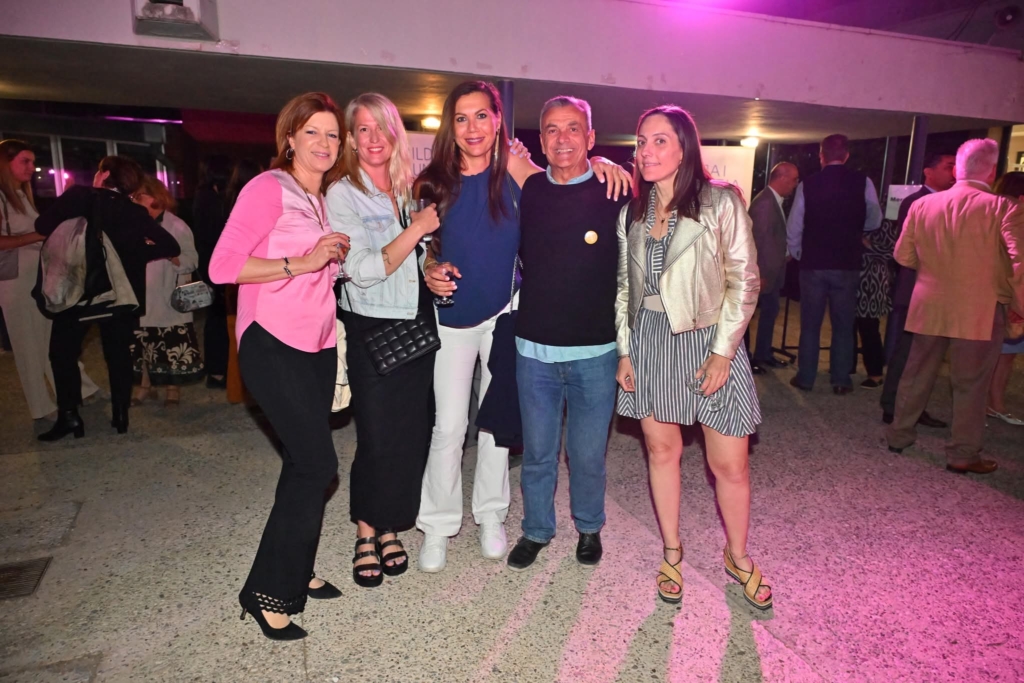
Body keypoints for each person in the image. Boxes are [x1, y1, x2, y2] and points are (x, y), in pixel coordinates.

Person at [414, 80, 630, 573]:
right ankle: (438, 525)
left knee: (497, 426)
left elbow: (565, 179)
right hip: (452, 319)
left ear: (498, 122)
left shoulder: (515, 177)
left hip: (505, 319)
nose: (472, 127)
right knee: (449, 426)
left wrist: (606, 163)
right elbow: (424, 249)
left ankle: (491, 516)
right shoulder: (431, 182)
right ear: (451, 125)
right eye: (462, 118)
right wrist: (428, 269)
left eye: (482, 116)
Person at [615, 106, 770, 610]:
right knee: (662, 452)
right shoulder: (631, 214)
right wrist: (625, 351)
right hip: (650, 341)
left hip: (709, 341)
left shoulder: (720, 202)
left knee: (731, 465)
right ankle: (672, 552)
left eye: (660, 140)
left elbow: (744, 280)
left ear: (685, 147)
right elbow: (624, 290)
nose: (647, 151)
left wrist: (724, 352)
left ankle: (737, 555)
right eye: (642, 142)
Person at [209, 92, 349, 639]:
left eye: (332, 134)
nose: (323, 143)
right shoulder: (268, 187)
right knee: (317, 464)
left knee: (299, 461)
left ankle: (297, 566)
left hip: (317, 345)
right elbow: (223, 266)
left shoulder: (320, 198)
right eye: (312, 132)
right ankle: (266, 590)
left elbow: (320, 272)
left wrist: (332, 261)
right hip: (272, 341)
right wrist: (304, 260)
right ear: (289, 138)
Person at [506, 96, 630, 572]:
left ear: (590, 137)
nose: (563, 139)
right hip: (534, 351)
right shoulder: (531, 188)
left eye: (574, 128)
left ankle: (589, 526)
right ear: (541, 140)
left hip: (596, 352)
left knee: (587, 455)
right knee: (538, 453)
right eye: (553, 130)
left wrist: (608, 166)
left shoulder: (615, 192)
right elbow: (483, 144)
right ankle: (536, 530)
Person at [325, 93, 440, 588]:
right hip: (371, 324)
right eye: (363, 129)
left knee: (411, 433)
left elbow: (418, 257)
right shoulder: (342, 194)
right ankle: (366, 531)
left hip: (416, 321)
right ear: (351, 139)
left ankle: (391, 525)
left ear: (396, 134)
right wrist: (418, 228)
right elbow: (363, 270)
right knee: (375, 434)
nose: (374, 138)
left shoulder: (407, 189)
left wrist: (432, 267)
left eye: (382, 128)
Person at [886, 139, 1024, 474]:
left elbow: (902, 255)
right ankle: (962, 453)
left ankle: (899, 435)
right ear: (992, 171)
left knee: (916, 374)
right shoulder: (1004, 207)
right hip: (979, 309)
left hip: (929, 304)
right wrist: (1019, 304)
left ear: (958, 169)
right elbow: (1019, 261)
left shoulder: (923, 205)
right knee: (971, 384)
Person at [35, 156, 180, 441]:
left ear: (103, 174)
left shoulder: (78, 196)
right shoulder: (133, 210)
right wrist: (135, 253)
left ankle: (70, 416)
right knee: (118, 355)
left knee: (63, 354)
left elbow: (42, 225)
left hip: (77, 293)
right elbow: (169, 245)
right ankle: (120, 415)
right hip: (120, 296)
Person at [0, 139, 100, 422]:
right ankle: (41, 407)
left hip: (37, 276)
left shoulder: (20, 196)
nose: (31, 167)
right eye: (25, 161)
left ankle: (77, 389)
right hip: (15, 279)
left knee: (51, 339)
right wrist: (37, 236)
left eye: (33, 161)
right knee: (28, 345)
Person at [787, 134, 883, 394]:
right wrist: (856, 229)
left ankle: (806, 377)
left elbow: (795, 224)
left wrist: (797, 251)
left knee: (810, 324)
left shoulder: (808, 184)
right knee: (843, 324)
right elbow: (875, 218)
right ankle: (840, 379)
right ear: (847, 155)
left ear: (821, 155)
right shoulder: (863, 182)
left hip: (814, 262)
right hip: (847, 262)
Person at [880, 153, 955, 426]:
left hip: (928, 288)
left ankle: (906, 406)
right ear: (928, 171)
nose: (954, 172)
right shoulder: (916, 201)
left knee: (921, 353)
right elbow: (911, 249)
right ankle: (895, 405)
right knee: (909, 351)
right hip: (916, 288)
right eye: (948, 167)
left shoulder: (945, 201)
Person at [129, 176, 205, 406]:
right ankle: (145, 385)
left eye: (138, 196)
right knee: (143, 341)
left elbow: (192, 260)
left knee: (171, 342)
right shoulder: (135, 224)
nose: (134, 201)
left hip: (169, 294)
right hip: (143, 293)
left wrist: (168, 252)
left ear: (154, 196)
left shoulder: (177, 226)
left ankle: (173, 388)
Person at [748, 162, 799, 373]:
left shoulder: (772, 201)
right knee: (750, 316)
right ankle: (749, 359)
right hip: (763, 273)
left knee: (769, 313)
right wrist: (760, 273)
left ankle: (763, 354)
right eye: (794, 179)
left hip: (771, 271)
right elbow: (758, 241)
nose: (795, 184)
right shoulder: (765, 203)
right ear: (782, 177)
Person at [987, 171, 1024, 426]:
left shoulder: (988, 212)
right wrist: (1019, 304)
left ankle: (989, 405)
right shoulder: (1015, 214)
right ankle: (994, 405)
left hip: (989, 293)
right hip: (1008, 296)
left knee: (993, 355)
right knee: (1002, 355)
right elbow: (1017, 261)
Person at [192, 155, 231, 389]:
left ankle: (217, 370)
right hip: (214, 266)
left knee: (215, 317)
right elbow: (217, 235)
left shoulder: (204, 196)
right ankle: (216, 371)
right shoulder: (210, 199)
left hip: (209, 264)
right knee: (217, 319)